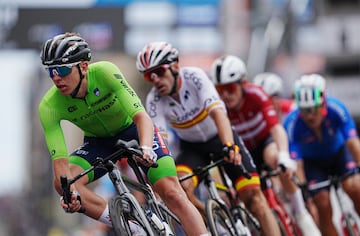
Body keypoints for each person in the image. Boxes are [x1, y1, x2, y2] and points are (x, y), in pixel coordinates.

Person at [38, 32, 209, 236]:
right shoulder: (49, 106)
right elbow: (60, 161)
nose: (56, 77)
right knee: (63, 182)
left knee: (172, 192)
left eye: (62, 69)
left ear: (83, 66)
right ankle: (132, 227)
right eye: (51, 71)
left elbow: (141, 116)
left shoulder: (105, 72)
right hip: (98, 143)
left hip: (134, 132)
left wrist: (146, 147)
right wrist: (68, 194)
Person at [136, 41, 281, 236]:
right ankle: (217, 219)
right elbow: (162, 141)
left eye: (160, 72)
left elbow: (218, 113)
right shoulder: (154, 100)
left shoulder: (194, 77)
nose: (156, 80)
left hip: (220, 138)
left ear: (175, 66)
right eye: (149, 76)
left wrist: (230, 145)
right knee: (181, 188)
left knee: (255, 199)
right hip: (192, 148)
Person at [210, 55, 321, 236]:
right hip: (243, 151)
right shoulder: (217, 105)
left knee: (276, 159)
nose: (225, 95)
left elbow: (276, 128)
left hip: (264, 143)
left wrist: (284, 155)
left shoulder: (257, 94)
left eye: (230, 88)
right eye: (219, 90)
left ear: (243, 83)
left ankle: (301, 213)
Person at [283, 74, 360, 236]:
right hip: (313, 164)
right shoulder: (291, 123)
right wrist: (304, 191)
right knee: (322, 204)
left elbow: (353, 143)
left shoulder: (337, 109)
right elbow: (297, 163)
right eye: (304, 111)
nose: (310, 116)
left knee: (354, 187)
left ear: (323, 103)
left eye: (313, 109)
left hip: (339, 154)